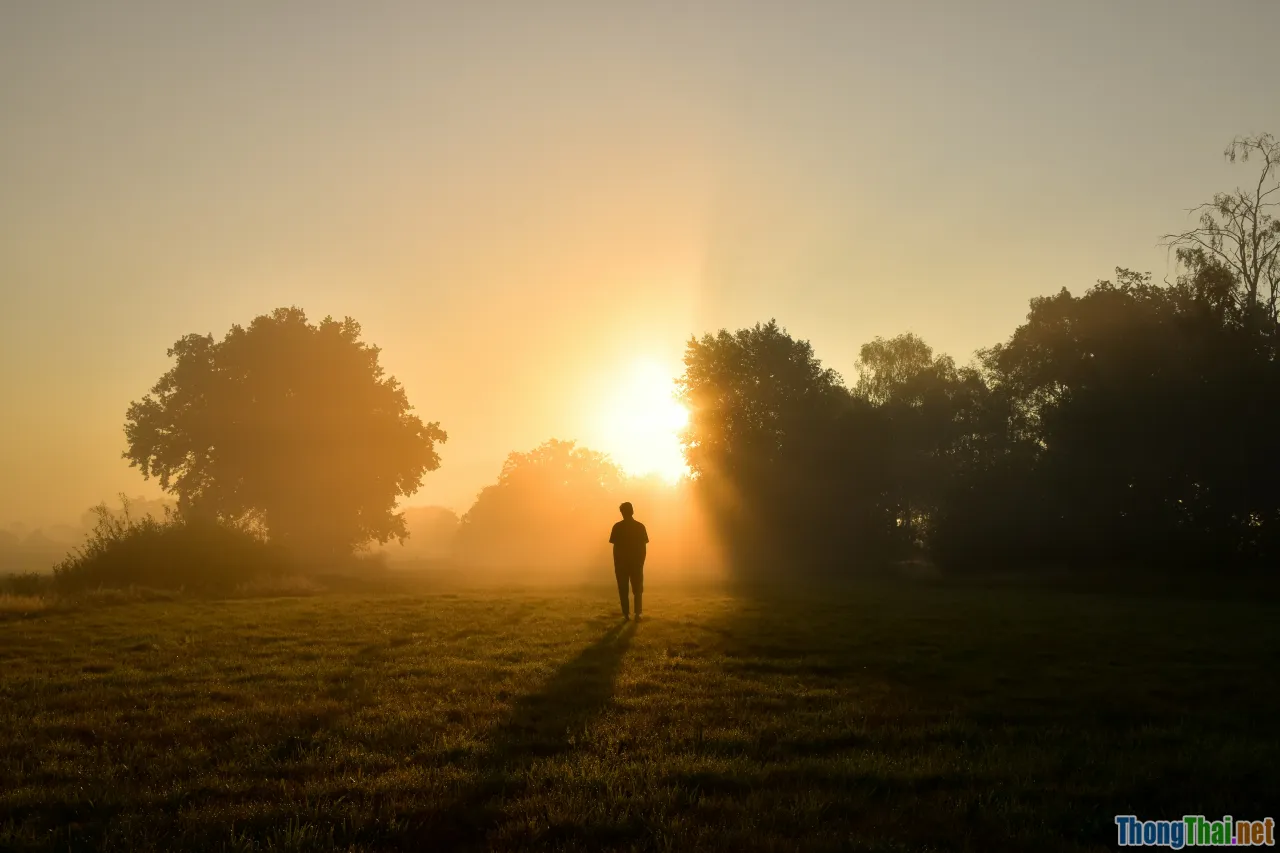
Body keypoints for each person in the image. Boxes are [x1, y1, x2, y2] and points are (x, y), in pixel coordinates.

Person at [608, 501, 648, 620]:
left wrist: (616, 563)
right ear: (632, 511)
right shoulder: (640, 527)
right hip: (636, 563)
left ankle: (626, 614)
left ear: (622, 513)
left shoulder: (617, 527)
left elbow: (615, 548)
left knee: (623, 589)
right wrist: (641, 562)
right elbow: (643, 547)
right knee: (637, 589)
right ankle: (637, 613)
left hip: (622, 564)